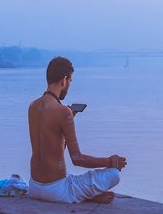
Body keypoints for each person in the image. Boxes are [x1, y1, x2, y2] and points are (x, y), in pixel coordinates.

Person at [28, 57, 127, 204]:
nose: (68, 86)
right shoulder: (63, 112)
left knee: (70, 178)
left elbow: (54, 149)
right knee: (114, 175)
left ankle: (87, 194)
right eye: (70, 82)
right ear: (64, 80)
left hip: (34, 187)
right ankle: (88, 194)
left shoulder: (33, 107)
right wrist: (110, 162)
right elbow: (77, 159)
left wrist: (66, 123)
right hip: (57, 191)